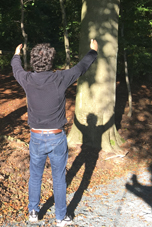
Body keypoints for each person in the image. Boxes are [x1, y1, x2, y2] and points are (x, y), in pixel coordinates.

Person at [12, 39, 99, 227]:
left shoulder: (27, 79)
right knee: (59, 178)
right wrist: (93, 51)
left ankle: (33, 212)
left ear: (33, 62)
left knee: (35, 175)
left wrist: (16, 53)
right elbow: (81, 67)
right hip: (56, 137)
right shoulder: (60, 78)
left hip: (35, 136)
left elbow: (15, 68)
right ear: (51, 61)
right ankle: (61, 217)